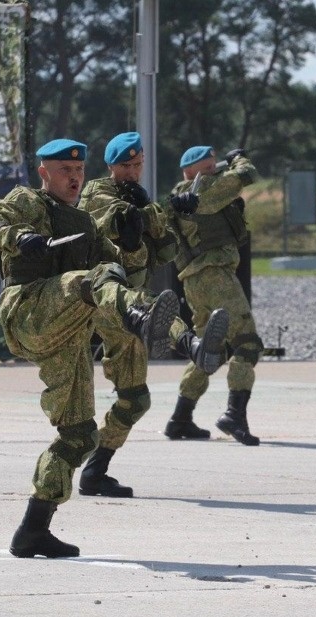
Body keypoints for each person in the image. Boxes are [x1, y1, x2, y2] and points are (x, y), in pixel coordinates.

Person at [0, 138, 181, 558]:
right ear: (44, 172)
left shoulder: (84, 222)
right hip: (28, 309)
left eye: (80, 171)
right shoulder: (29, 202)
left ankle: (34, 528)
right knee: (91, 279)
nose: (74, 177)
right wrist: (20, 237)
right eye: (65, 171)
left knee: (79, 435)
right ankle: (149, 324)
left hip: (67, 328)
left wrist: (134, 244)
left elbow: (124, 277)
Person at [75, 131, 229, 498]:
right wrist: (139, 215)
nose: (132, 171)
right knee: (148, 303)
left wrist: (165, 213)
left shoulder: (142, 200)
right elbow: (110, 220)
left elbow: (164, 252)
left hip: (131, 306)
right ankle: (193, 346)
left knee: (135, 399)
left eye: (137, 164)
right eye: (125, 166)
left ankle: (95, 472)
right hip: (102, 297)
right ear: (111, 166)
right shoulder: (97, 193)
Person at [164, 145, 263, 446]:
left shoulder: (178, 198)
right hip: (216, 274)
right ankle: (235, 414)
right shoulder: (204, 189)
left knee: (211, 350)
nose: (213, 173)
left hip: (194, 282)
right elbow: (246, 174)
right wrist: (238, 158)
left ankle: (181, 417)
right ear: (190, 172)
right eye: (207, 168)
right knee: (246, 342)